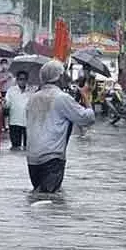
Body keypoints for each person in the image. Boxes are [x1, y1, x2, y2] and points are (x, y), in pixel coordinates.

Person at [25, 60, 96, 193]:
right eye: (64, 74)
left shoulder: (33, 98)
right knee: (49, 200)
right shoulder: (62, 98)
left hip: (32, 158)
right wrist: (85, 97)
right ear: (59, 77)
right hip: (52, 158)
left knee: (40, 195)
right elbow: (88, 118)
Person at [5, 70, 31, 150]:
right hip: (14, 121)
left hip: (28, 122)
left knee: (28, 147)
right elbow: (7, 104)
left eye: (24, 79)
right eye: (20, 79)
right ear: (17, 80)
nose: (22, 81)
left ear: (27, 80)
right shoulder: (11, 91)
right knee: (15, 147)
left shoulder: (32, 91)